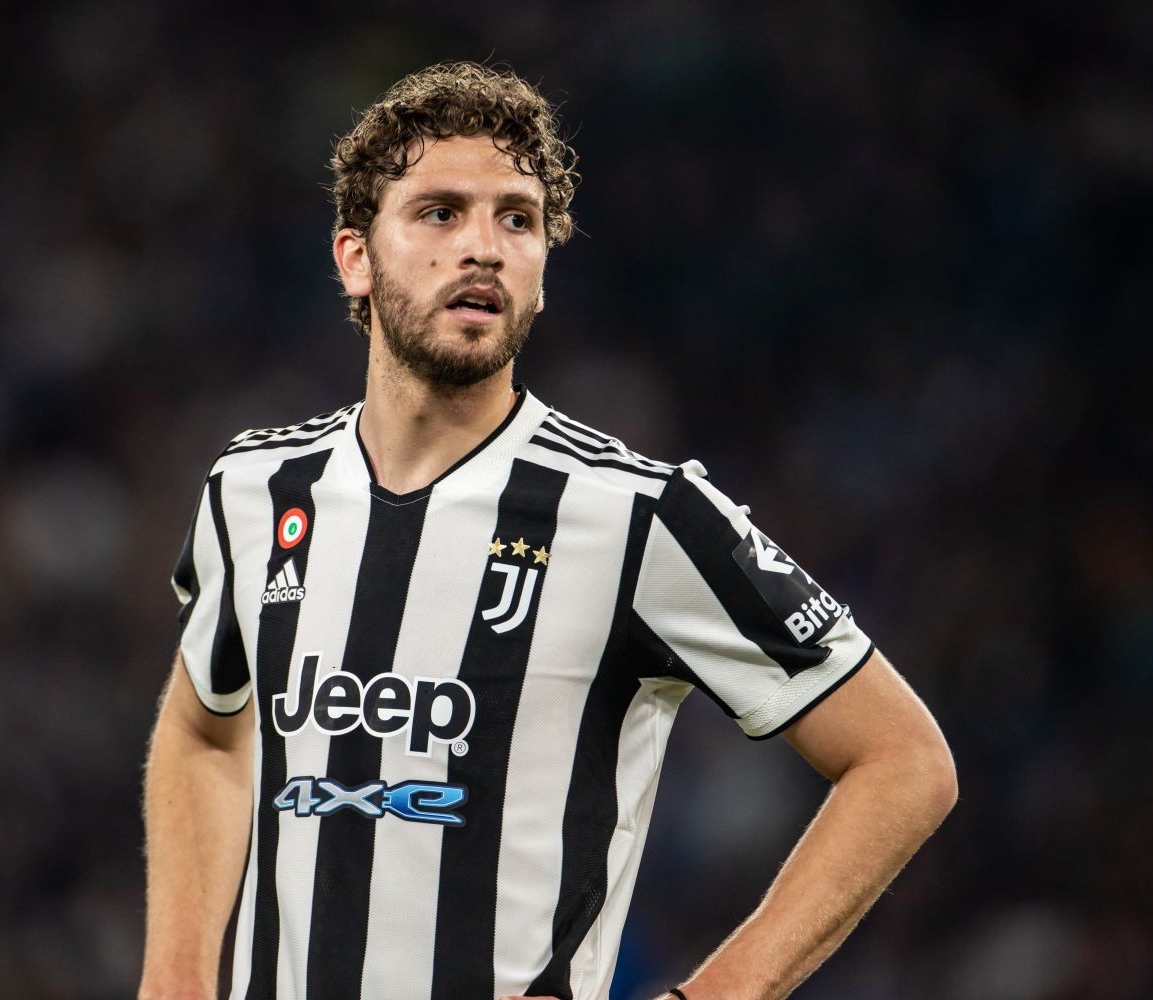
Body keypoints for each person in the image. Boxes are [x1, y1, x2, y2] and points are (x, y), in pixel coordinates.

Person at [139, 62, 957, 1000]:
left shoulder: (636, 514)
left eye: (517, 220)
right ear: (355, 257)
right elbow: (205, 733)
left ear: (540, 273)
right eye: (440, 212)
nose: (483, 248)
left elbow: (904, 761)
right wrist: (174, 979)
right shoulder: (254, 490)